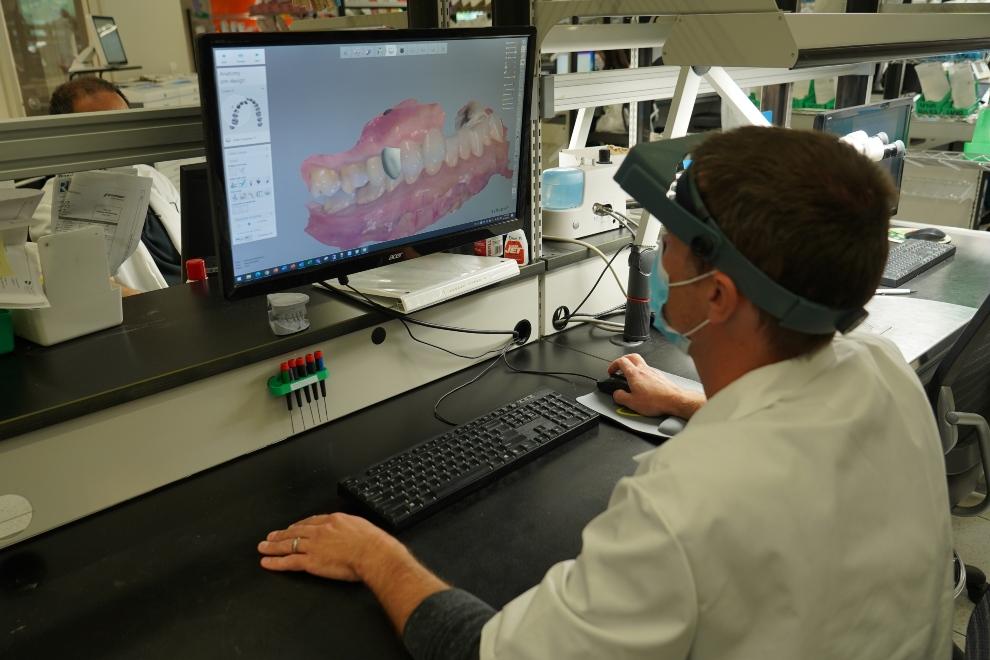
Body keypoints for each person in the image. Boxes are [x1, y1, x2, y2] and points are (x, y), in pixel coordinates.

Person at [257, 127, 955, 659]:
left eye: (675, 234)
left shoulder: (684, 503)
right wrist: (689, 402)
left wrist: (376, 556)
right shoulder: (882, 369)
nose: (659, 249)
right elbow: (796, 435)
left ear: (717, 294)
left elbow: (488, 652)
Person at [32, 78, 183, 295]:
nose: (121, 140)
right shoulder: (50, 207)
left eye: (125, 125)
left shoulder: (152, 176)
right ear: (69, 137)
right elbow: (84, 285)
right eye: (106, 130)